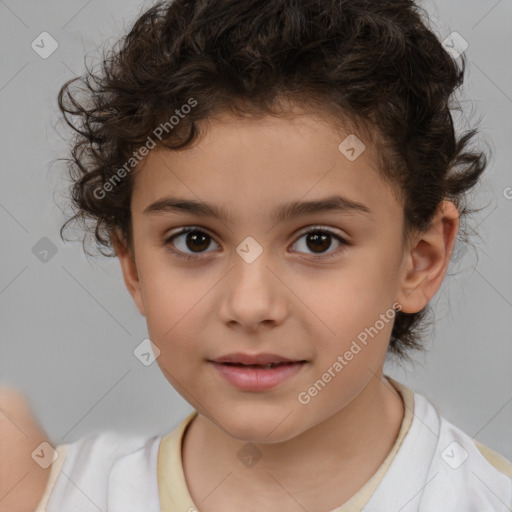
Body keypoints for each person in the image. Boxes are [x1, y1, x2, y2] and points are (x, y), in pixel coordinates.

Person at [2, 0, 511, 510]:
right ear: (132, 263)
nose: (249, 305)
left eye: (318, 241)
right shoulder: (51, 493)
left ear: (419, 260)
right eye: (194, 240)